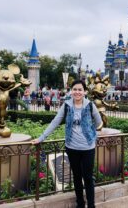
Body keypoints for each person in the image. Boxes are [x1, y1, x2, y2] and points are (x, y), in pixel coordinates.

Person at [32, 79, 103, 208]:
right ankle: (80, 204)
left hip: (88, 148)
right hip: (72, 148)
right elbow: (55, 122)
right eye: (75, 89)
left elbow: (99, 123)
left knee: (87, 178)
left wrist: (93, 137)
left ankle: (91, 205)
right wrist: (41, 137)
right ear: (71, 91)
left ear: (85, 91)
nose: (77, 92)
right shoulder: (66, 105)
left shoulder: (90, 105)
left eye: (80, 89)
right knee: (76, 177)